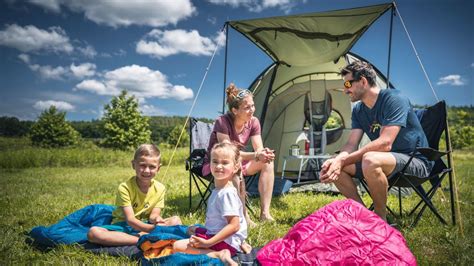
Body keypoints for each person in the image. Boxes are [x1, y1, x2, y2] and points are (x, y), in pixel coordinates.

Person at [319, 61, 433, 222]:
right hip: (385, 162)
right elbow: (351, 144)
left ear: (363, 81)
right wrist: (337, 160)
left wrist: (343, 159)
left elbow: (385, 143)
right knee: (333, 163)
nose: (345, 90)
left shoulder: (394, 98)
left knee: (370, 159)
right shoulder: (359, 110)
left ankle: (380, 219)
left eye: (347, 84)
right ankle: (364, 216)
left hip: (416, 162)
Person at [202, 83, 276, 224]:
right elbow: (229, 155)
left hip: (239, 162)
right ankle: (243, 216)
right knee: (235, 169)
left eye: (252, 105)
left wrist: (263, 153)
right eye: (247, 107)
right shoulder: (222, 121)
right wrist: (255, 155)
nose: (252, 110)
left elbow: (258, 148)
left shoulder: (253, 122)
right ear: (235, 110)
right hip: (219, 164)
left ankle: (265, 213)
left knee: (268, 162)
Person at [87, 144, 182, 246]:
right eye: (142, 165)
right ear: (133, 165)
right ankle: (141, 240)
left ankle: (143, 237)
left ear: (158, 168)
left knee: (176, 220)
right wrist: (152, 229)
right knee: (93, 233)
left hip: (146, 224)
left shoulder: (160, 188)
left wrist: (156, 219)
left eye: (152, 167)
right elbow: (130, 220)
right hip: (123, 226)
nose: (146, 170)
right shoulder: (125, 188)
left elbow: (153, 215)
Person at [173, 142, 247, 266]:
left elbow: (234, 226)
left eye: (224, 162)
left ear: (235, 167)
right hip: (219, 235)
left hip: (225, 242)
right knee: (191, 229)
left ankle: (219, 254)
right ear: (209, 164)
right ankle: (236, 245)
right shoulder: (219, 190)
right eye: (215, 161)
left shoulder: (226, 194)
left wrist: (208, 243)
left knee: (177, 246)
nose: (219, 166)